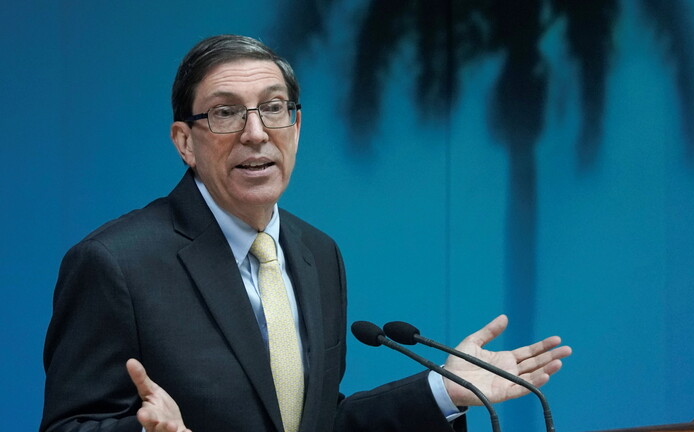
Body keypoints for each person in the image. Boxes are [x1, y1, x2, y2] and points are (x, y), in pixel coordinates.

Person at [40, 34, 572, 432]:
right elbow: (70, 425)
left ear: (296, 126)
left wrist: (445, 390)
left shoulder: (317, 253)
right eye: (226, 113)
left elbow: (317, 421)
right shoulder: (115, 264)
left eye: (273, 108)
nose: (255, 133)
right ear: (184, 142)